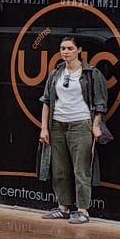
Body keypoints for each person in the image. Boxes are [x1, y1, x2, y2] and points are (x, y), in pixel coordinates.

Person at [38, 36, 106, 224]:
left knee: (81, 169)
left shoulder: (91, 73)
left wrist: (95, 125)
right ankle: (63, 207)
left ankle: (83, 210)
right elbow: (46, 101)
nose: (66, 52)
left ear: (79, 50)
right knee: (59, 169)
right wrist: (44, 128)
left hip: (80, 124)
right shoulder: (56, 73)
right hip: (57, 124)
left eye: (70, 48)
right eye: (63, 48)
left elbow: (100, 103)